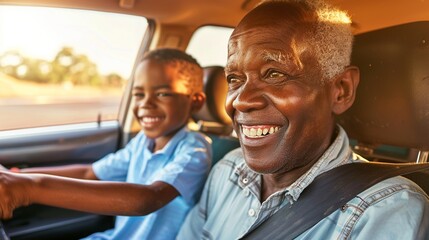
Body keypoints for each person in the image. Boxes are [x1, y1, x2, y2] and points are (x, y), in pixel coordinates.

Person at [177, 0, 429, 239]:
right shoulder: (228, 169)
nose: (241, 101)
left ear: (341, 90)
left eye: (274, 73)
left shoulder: (386, 211)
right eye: (234, 78)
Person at [0, 48, 212, 240]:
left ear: (196, 101)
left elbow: (148, 199)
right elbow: (89, 173)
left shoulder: (195, 149)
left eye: (162, 94)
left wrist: (28, 188)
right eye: (138, 94)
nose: (145, 103)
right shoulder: (143, 142)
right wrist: (17, 175)